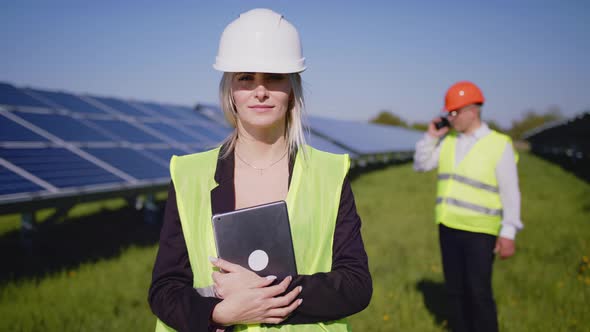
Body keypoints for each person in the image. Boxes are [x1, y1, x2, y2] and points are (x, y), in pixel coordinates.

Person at [148, 8, 372, 332]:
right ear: (230, 91)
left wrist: (267, 297)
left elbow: (355, 284)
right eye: (246, 78)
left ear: (292, 87)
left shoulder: (330, 173)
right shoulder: (189, 176)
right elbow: (165, 290)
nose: (261, 90)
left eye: (274, 77)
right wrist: (220, 314)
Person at [413, 81, 523, 332]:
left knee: (478, 292)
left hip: (480, 232)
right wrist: (431, 136)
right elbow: (421, 163)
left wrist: (508, 232)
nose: (449, 118)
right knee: (455, 292)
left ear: (472, 111)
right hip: (449, 226)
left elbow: (511, 193)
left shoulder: (499, 144)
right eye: (448, 113)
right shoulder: (448, 140)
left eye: (454, 112)